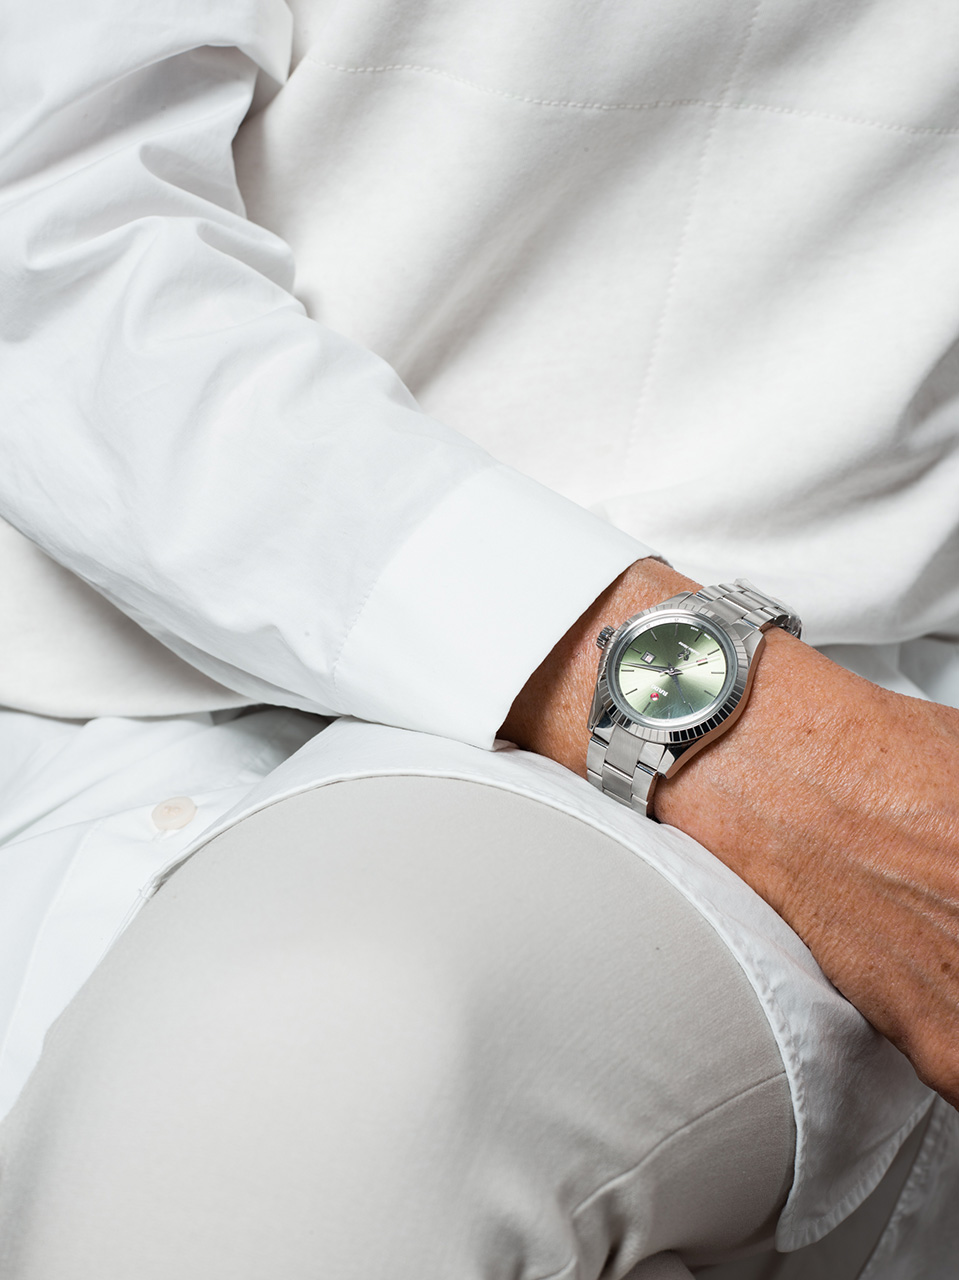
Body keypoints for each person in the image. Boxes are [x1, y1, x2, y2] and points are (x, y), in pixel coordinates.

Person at [0, 0, 957, 1275]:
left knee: (307, 1073)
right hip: (99, 650)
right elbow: (44, 223)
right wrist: (760, 746)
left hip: (777, 706)